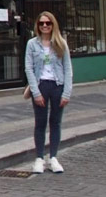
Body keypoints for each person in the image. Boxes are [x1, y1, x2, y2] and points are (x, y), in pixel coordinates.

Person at [25, 11, 72, 174]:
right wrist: (35, 92)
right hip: (41, 85)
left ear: (53, 25)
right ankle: (39, 158)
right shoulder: (32, 44)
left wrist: (66, 93)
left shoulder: (61, 43)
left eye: (48, 23)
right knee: (40, 122)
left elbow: (68, 69)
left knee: (56, 122)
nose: (45, 26)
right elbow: (29, 68)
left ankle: (53, 158)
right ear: (37, 26)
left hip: (57, 85)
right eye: (41, 23)